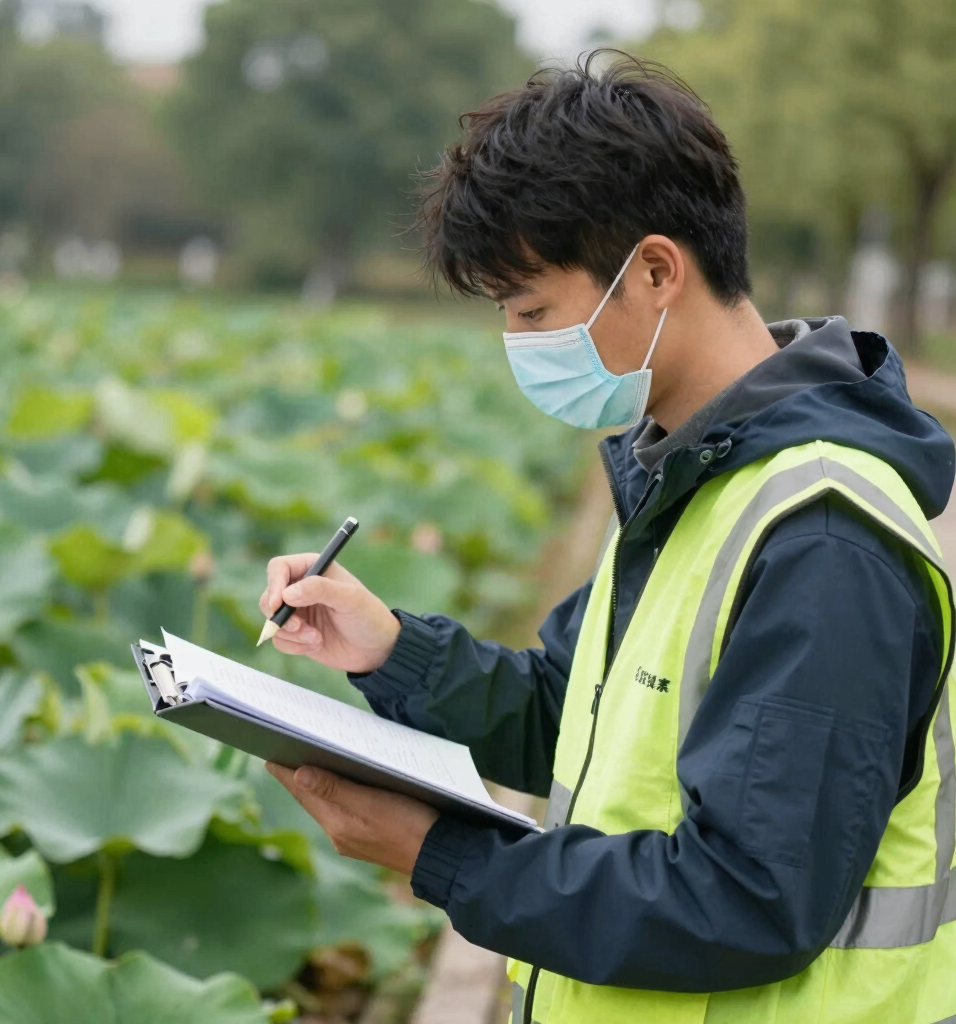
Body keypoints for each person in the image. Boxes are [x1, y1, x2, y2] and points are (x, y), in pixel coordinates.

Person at [260, 52, 956, 1024]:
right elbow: (574, 715)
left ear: (658, 270)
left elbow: (750, 895)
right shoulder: (693, 473)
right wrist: (388, 649)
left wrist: (440, 854)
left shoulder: (820, 535)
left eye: (535, 312)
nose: (522, 348)